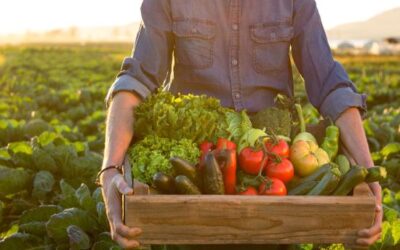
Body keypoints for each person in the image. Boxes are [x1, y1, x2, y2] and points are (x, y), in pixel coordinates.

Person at [99, 0, 382, 249]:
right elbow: (136, 80)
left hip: (274, 171)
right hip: (193, 176)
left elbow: (330, 84)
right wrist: (110, 169)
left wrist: (367, 171)